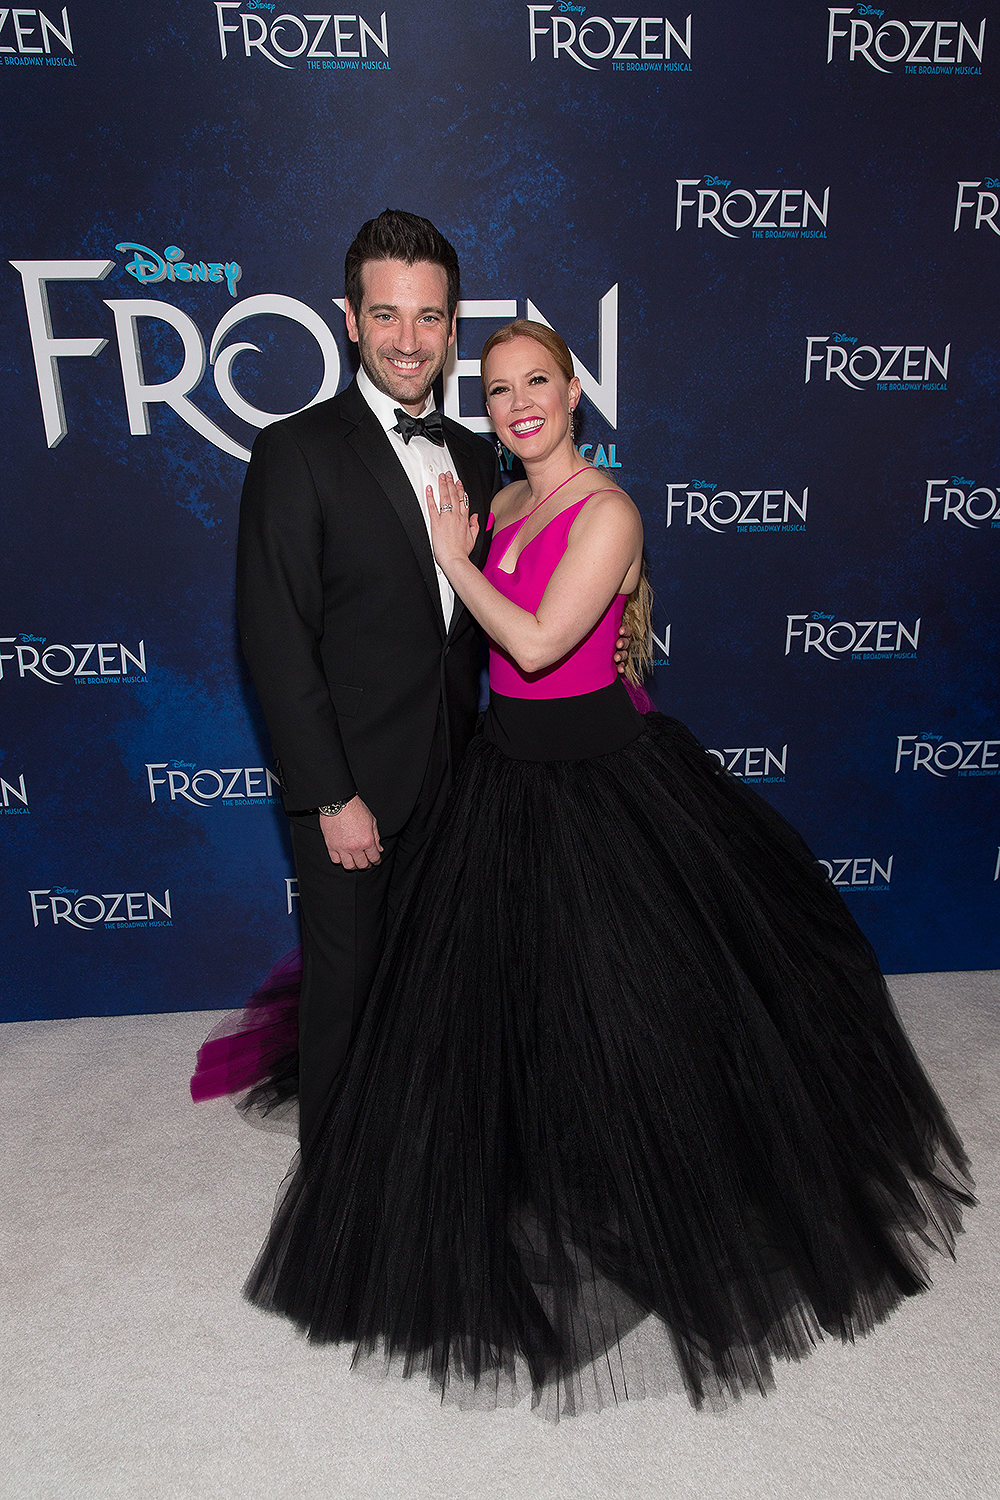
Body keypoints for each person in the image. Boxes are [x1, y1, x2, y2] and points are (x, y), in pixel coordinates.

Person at [242, 320, 972, 1413]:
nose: (517, 403)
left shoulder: (608, 507)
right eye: (497, 390)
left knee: (630, 1005)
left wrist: (450, 559)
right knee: (510, 998)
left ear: (574, 392)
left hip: (603, 782)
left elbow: (533, 645)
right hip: (505, 775)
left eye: (537, 382)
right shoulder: (498, 500)